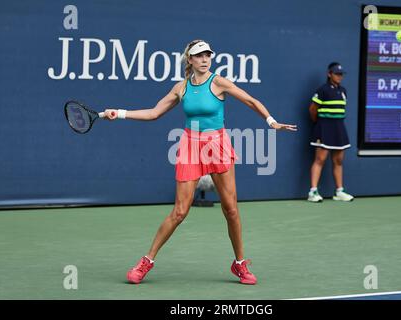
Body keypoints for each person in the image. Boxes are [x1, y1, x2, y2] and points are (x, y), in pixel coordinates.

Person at [103, 40, 297, 285]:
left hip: (218, 144)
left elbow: (250, 100)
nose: (205, 59)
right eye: (199, 55)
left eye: (208, 55)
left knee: (231, 209)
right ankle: (146, 262)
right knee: (180, 211)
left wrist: (271, 122)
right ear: (190, 60)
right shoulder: (181, 88)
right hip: (190, 146)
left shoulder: (218, 82)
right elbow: (154, 113)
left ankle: (239, 264)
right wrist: (120, 113)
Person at [307, 62, 354, 202]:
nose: (339, 76)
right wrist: (320, 123)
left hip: (339, 128)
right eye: (336, 73)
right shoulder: (323, 90)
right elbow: (312, 109)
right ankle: (313, 192)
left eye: (341, 74)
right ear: (329, 74)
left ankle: (339, 191)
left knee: (338, 160)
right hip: (324, 127)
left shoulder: (343, 91)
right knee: (320, 159)